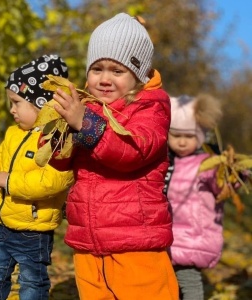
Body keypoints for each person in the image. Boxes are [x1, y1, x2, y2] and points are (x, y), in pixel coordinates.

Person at [43, 13, 178, 300]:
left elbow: (133, 151)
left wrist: (84, 123)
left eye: (117, 71)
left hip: (135, 240)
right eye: (97, 69)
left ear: (138, 76)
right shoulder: (86, 108)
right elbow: (59, 161)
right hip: (88, 240)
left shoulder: (150, 108)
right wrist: (56, 132)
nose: (104, 79)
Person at [0, 54, 74, 300]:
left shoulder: (57, 138)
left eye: (16, 102)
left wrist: (7, 181)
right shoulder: (13, 133)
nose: (12, 109)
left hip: (33, 230)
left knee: (32, 282)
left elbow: (52, 182)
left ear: (41, 104)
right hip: (3, 225)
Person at [165, 94, 223, 300]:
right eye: (176, 135)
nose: (181, 142)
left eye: (188, 136)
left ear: (200, 136)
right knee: (168, 283)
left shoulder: (207, 163)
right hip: (167, 236)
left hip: (193, 237)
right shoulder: (166, 162)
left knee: (189, 283)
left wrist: (229, 174)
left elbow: (220, 185)